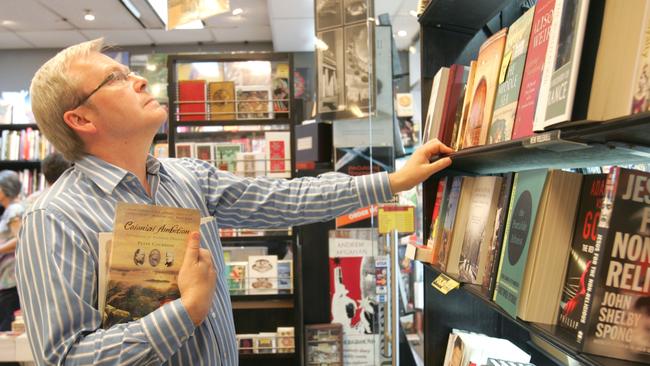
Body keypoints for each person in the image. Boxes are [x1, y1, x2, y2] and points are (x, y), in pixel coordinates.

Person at [17, 38, 453, 365]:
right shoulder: (53, 218)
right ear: (80, 119)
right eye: (113, 78)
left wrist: (393, 181)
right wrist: (186, 312)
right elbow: (65, 357)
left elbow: (285, 198)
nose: (140, 79)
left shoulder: (187, 177)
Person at [0, 170, 24, 331]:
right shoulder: (11, 210)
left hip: (11, 278)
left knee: (7, 322)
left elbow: (20, 238)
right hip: (7, 278)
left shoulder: (15, 210)